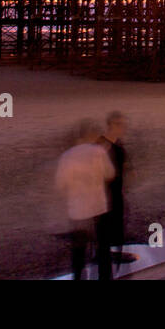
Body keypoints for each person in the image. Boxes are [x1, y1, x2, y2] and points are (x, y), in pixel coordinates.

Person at [55, 119, 116, 280]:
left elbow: (60, 184)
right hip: (98, 207)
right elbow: (110, 174)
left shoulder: (67, 156)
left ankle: (78, 276)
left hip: (78, 210)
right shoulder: (98, 152)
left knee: (79, 249)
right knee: (103, 247)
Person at [97, 112, 137, 267]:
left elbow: (125, 162)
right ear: (110, 125)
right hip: (104, 192)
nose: (123, 128)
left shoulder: (118, 143)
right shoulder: (101, 144)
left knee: (118, 221)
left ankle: (114, 254)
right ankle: (103, 256)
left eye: (124, 124)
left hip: (117, 190)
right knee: (105, 223)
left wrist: (130, 171)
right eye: (119, 124)